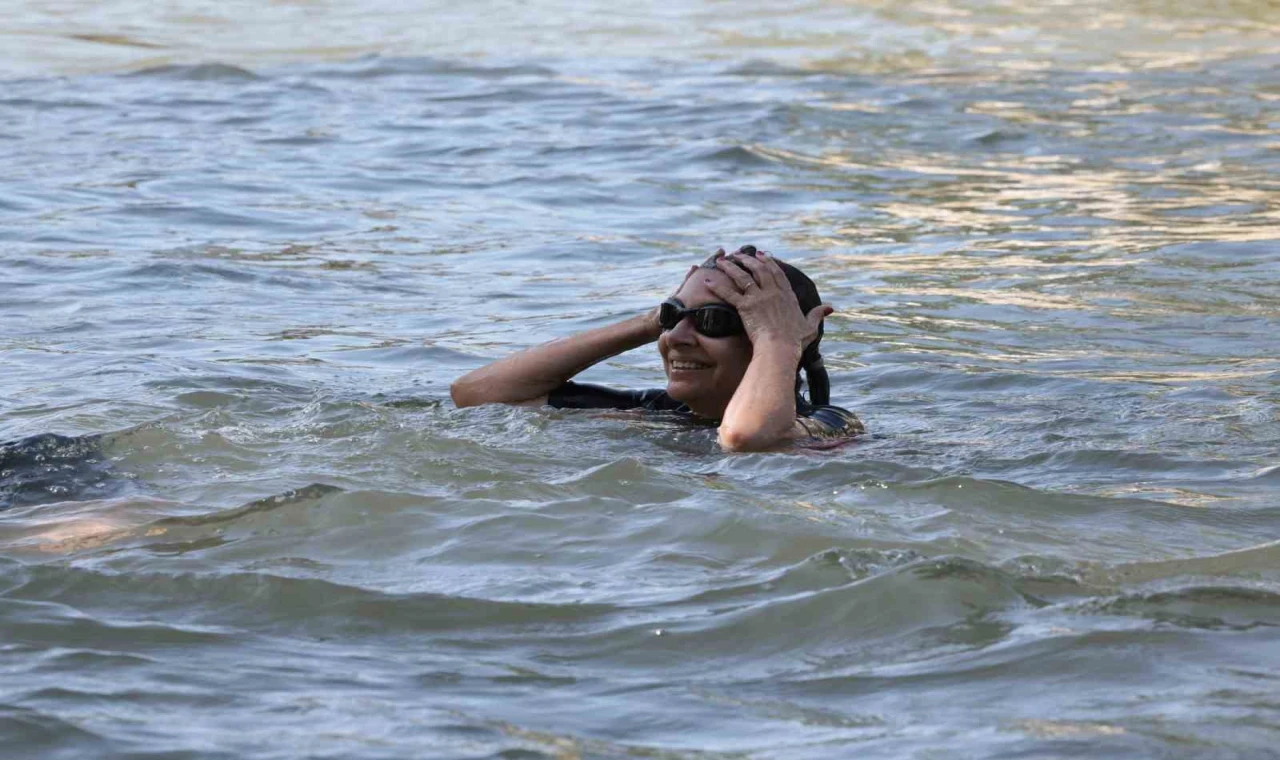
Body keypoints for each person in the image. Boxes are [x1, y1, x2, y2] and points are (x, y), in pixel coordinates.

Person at [450, 246, 863, 451]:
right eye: (673, 317)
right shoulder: (660, 413)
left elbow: (746, 438)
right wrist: (652, 321)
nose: (677, 337)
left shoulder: (832, 424)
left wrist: (778, 339)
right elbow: (476, 396)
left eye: (713, 322)